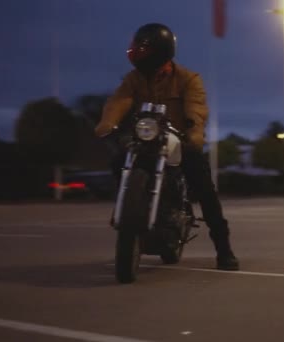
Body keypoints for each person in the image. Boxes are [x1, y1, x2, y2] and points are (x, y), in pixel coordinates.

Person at [95, 23, 239, 271]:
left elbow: (196, 107)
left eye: (142, 48)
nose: (135, 52)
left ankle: (224, 249)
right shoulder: (134, 80)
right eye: (135, 47)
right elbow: (120, 100)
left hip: (178, 141)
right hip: (147, 137)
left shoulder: (187, 79)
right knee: (118, 161)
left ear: (159, 52)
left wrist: (193, 132)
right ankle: (127, 208)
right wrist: (108, 124)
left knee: (204, 188)